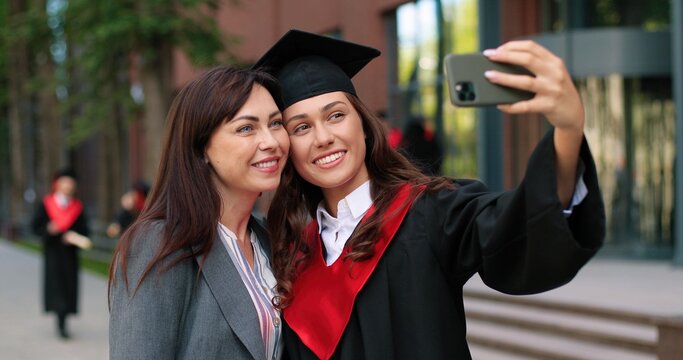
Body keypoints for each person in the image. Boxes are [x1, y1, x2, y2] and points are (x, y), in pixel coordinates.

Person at [256, 29, 605, 359]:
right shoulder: (290, 253)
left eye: (336, 115)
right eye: (301, 127)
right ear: (288, 148)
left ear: (363, 125)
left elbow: (519, 223)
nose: (322, 137)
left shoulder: (429, 213)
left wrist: (569, 130)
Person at [108, 66, 289, 359]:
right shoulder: (161, 242)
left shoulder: (267, 239)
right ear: (202, 147)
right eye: (246, 128)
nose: (271, 142)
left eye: (276, 123)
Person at [32, 168, 90, 339]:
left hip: (70, 255)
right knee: (56, 288)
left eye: (71, 183)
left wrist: (75, 237)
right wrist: (48, 229)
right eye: (64, 182)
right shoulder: (46, 204)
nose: (68, 186)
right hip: (53, 254)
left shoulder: (78, 207)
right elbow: (35, 227)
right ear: (57, 184)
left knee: (68, 287)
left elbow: (85, 232)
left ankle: (64, 319)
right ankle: (60, 321)